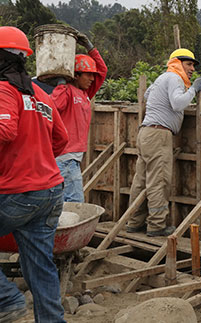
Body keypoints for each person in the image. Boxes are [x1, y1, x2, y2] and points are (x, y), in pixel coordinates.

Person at [0, 26, 69, 323]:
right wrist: (35, 157)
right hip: (50, 192)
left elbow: (4, 130)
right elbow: (61, 139)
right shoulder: (39, 93)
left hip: (17, 192)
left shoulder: (3, 89)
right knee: (41, 267)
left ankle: (6, 299)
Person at [126, 48, 201, 237]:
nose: (192, 69)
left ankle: (134, 222)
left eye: (193, 65)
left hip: (146, 132)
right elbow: (178, 104)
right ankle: (156, 225)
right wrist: (193, 89)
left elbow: (147, 95)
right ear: (177, 63)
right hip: (159, 135)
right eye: (189, 64)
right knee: (159, 181)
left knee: (141, 181)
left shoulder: (162, 78)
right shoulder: (174, 78)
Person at [50, 31, 107, 202]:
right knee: (75, 203)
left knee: (65, 204)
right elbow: (53, 108)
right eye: (88, 74)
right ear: (76, 75)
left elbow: (102, 71)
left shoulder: (85, 93)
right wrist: (61, 83)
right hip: (64, 158)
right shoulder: (65, 91)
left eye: (92, 75)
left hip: (72, 158)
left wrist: (90, 47)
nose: (92, 78)